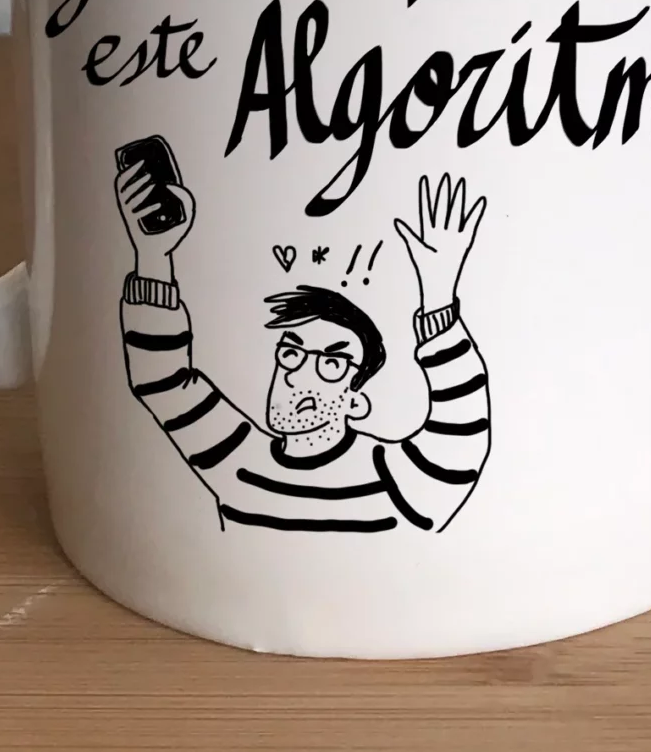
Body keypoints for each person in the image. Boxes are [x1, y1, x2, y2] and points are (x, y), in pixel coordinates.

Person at [114, 153, 492, 535]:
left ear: (356, 401)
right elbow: (163, 379)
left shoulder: (393, 475)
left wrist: (439, 297)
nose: (299, 375)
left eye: (331, 364)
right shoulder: (237, 461)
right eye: (291, 354)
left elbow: (458, 437)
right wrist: (153, 256)